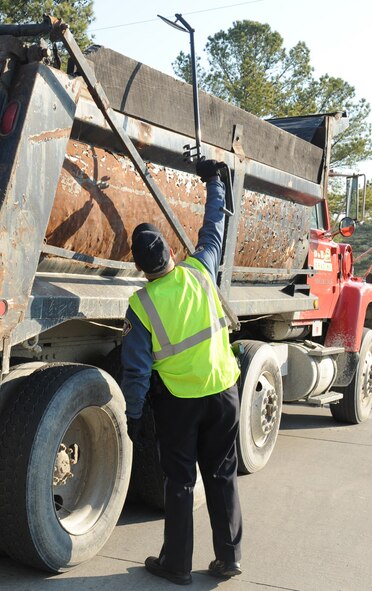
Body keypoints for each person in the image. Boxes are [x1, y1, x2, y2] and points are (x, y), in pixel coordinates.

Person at [121, 159, 243, 586]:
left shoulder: (142, 305)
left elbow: (135, 372)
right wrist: (215, 183)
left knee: (180, 482)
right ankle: (229, 559)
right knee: (222, 475)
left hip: (179, 404)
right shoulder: (201, 270)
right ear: (171, 253)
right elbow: (214, 230)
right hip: (224, 393)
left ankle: (176, 564)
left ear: (140, 269)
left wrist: (133, 417)